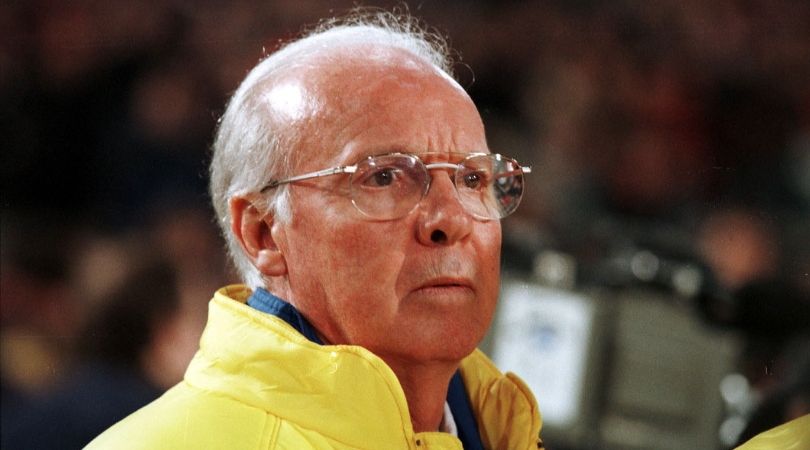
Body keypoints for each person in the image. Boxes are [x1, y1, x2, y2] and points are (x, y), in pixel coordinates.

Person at [87, 11, 542, 450]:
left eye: (472, 179)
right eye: (383, 176)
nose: (452, 219)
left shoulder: (501, 430)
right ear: (263, 232)